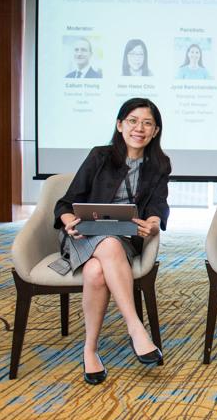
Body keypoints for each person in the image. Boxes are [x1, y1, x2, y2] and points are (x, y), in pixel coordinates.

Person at [53, 97, 171, 385]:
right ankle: (135, 328)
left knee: (96, 272)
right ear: (120, 125)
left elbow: (158, 204)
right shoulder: (100, 156)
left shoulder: (159, 164)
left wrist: (153, 223)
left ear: (155, 131)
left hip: (124, 239)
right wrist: (69, 222)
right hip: (84, 236)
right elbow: (66, 203)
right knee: (108, 244)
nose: (139, 128)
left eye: (147, 123)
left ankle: (90, 349)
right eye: (133, 121)